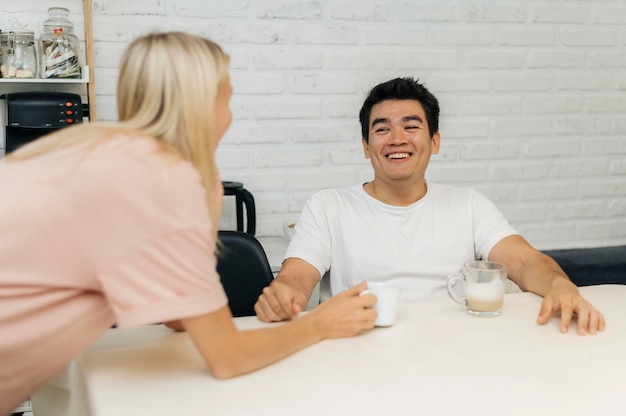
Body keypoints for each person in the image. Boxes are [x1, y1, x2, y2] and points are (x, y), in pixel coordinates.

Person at [0, 32, 377, 415]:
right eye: (227, 100)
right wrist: (320, 323)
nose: (229, 115)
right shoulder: (163, 182)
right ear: (201, 105)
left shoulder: (98, 151)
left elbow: (178, 317)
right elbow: (227, 358)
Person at [254, 76, 606, 336]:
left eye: (411, 126)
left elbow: (525, 260)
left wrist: (560, 285)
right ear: (365, 145)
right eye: (382, 129)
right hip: (361, 346)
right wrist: (284, 294)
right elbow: (297, 276)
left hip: (456, 344)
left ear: (434, 141)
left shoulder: (467, 204)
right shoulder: (329, 205)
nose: (397, 139)